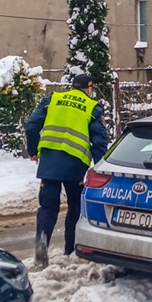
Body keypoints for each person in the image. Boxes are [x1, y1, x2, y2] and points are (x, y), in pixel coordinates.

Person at [25, 73, 108, 269]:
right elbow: (99, 141)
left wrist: (33, 150)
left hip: (49, 163)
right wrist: (101, 166)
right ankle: (70, 250)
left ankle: (42, 243)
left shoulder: (52, 99)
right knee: (75, 207)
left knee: (48, 207)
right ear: (88, 88)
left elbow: (31, 125)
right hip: (75, 164)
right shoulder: (91, 107)